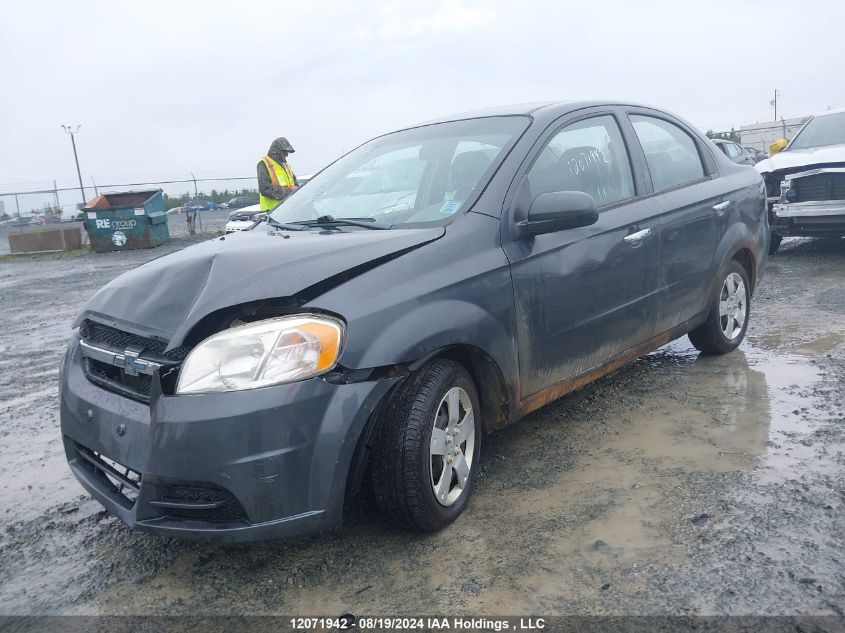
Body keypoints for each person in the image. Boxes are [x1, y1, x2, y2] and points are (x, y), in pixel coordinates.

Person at [258, 137, 298, 211]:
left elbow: (296, 185)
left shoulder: (286, 166)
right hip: (272, 212)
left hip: (287, 209)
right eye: (284, 152)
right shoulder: (264, 163)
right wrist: (289, 191)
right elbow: (265, 189)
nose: (287, 155)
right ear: (276, 151)